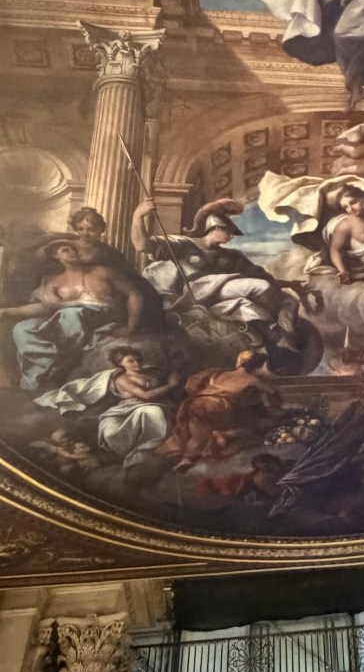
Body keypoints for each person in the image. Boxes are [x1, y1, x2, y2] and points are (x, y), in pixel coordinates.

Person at [131, 197, 313, 372]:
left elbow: (265, 278)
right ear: (215, 227)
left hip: (221, 296)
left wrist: (289, 283)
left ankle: (274, 344)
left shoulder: (232, 256)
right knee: (261, 288)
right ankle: (276, 328)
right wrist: (138, 216)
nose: (231, 236)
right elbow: (142, 245)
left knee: (258, 307)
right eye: (228, 231)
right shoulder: (183, 244)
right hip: (196, 293)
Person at [1, 239, 147, 391]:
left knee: (73, 314)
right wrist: (7, 311)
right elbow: (45, 308)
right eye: (66, 250)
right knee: (22, 328)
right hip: (67, 319)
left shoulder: (102, 272)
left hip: (102, 316)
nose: (73, 252)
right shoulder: (54, 281)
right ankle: (42, 371)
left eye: (74, 249)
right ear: (56, 256)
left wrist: (131, 326)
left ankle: (61, 364)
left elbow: (134, 294)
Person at [35, 345, 180, 469]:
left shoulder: (149, 372)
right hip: (124, 411)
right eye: (130, 361)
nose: (136, 363)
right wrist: (170, 385)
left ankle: (151, 449)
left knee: (153, 412)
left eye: (138, 360)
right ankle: (129, 455)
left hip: (150, 406)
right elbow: (146, 396)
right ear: (120, 363)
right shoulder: (122, 379)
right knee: (113, 432)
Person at [158, 349, 283, 472]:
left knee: (197, 434)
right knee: (244, 432)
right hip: (220, 407)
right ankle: (221, 436)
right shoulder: (252, 379)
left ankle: (187, 459)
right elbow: (272, 390)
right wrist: (271, 400)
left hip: (199, 403)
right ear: (256, 366)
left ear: (240, 362)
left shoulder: (219, 373)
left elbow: (190, 386)